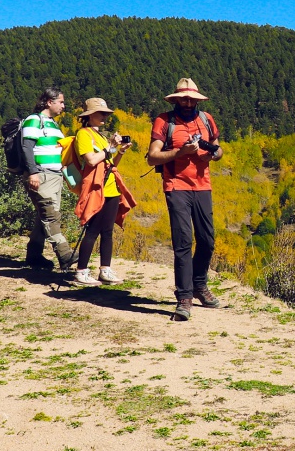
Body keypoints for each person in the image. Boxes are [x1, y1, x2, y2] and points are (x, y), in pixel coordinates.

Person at [148, 78, 223, 320]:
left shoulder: (206, 119)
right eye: (184, 98)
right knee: (182, 242)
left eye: (192, 99)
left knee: (207, 240)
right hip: (176, 186)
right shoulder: (164, 121)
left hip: (203, 186)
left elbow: (218, 148)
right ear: (176, 99)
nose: (188, 102)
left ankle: (199, 284)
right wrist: (181, 152)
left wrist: (210, 154)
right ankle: (184, 296)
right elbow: (152, 157)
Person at [66, 97, 137, 287]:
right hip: (96, 188)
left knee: (107, 231)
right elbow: (90, 160)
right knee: (93, 230)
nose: (104, 116)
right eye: (100, 113)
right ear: (89, 116)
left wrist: (119, 151)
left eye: (106, 113)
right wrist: (110, 148)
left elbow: (110, 164)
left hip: (111, 188)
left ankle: (105, 270)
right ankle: (81, 272)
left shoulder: (102, 137)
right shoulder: (84, 135)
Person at [19, 88, 75, 271]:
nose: (63, 106)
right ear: (49, 102)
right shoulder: (34, 120)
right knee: (50, 215)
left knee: (44, 216)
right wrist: (33, 173)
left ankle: (34, 256)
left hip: (55, 176)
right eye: (61, 102)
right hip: (41, 175)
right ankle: (65, 255)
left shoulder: (52, 124)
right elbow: (26, 148)